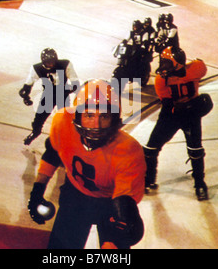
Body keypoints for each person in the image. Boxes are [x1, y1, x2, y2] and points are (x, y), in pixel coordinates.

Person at [27, 79, 146, 249]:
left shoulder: (128, 150)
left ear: (113, 119)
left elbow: (122, 201)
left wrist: (123, 222)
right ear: (77, 115)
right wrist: (37, 190)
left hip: (109, 202)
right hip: (76, 195)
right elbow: (53, 153)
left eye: (104, 116)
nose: (96, 125)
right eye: (89, 115)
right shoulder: (62, 122)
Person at [143, 46, 213, 201]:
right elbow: (168, 104)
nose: (163, 66)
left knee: (195, 151)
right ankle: (148, 180)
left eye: (167, 63)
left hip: (190, 114)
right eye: (163, 62)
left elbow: (199, 65)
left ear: (178, 63)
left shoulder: (195, 69)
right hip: (172, 114)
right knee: (150, 149)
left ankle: (200, 183)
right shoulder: (161, 79)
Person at [19, 48, 80, 145]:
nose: (51, 65)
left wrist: (70, 90)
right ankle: (35, 131)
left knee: (65, 118)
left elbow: (75, 82)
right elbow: (27, 85)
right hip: (49, 94)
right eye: (48, 63)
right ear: (43, 62)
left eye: (52, 62)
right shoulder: (37, 68)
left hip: (62, 93)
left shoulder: (65, 64)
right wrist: (25, 95)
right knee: (39, 118)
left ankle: (67, 138)